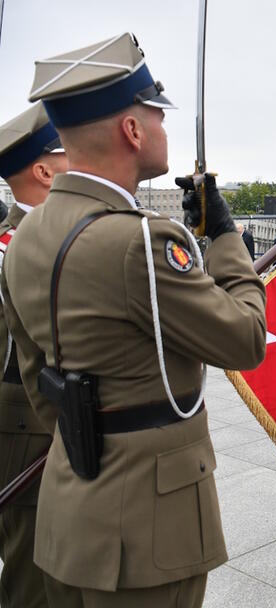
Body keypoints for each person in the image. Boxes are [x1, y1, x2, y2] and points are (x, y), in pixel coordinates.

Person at [1, 33, 266, 605]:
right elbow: (245, 338)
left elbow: (36, 377)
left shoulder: (26, 235)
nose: (163, 127)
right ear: (131, 130)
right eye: (157, 115)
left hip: (69, 511)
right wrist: (223, 235)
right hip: (145, 534)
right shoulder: (140, 240)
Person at [0, 103, 67, 608]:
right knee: (32, 579)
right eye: (66, 151)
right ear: (43, 170)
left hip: (38, 428)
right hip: (30, 434)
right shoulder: (22, 245)